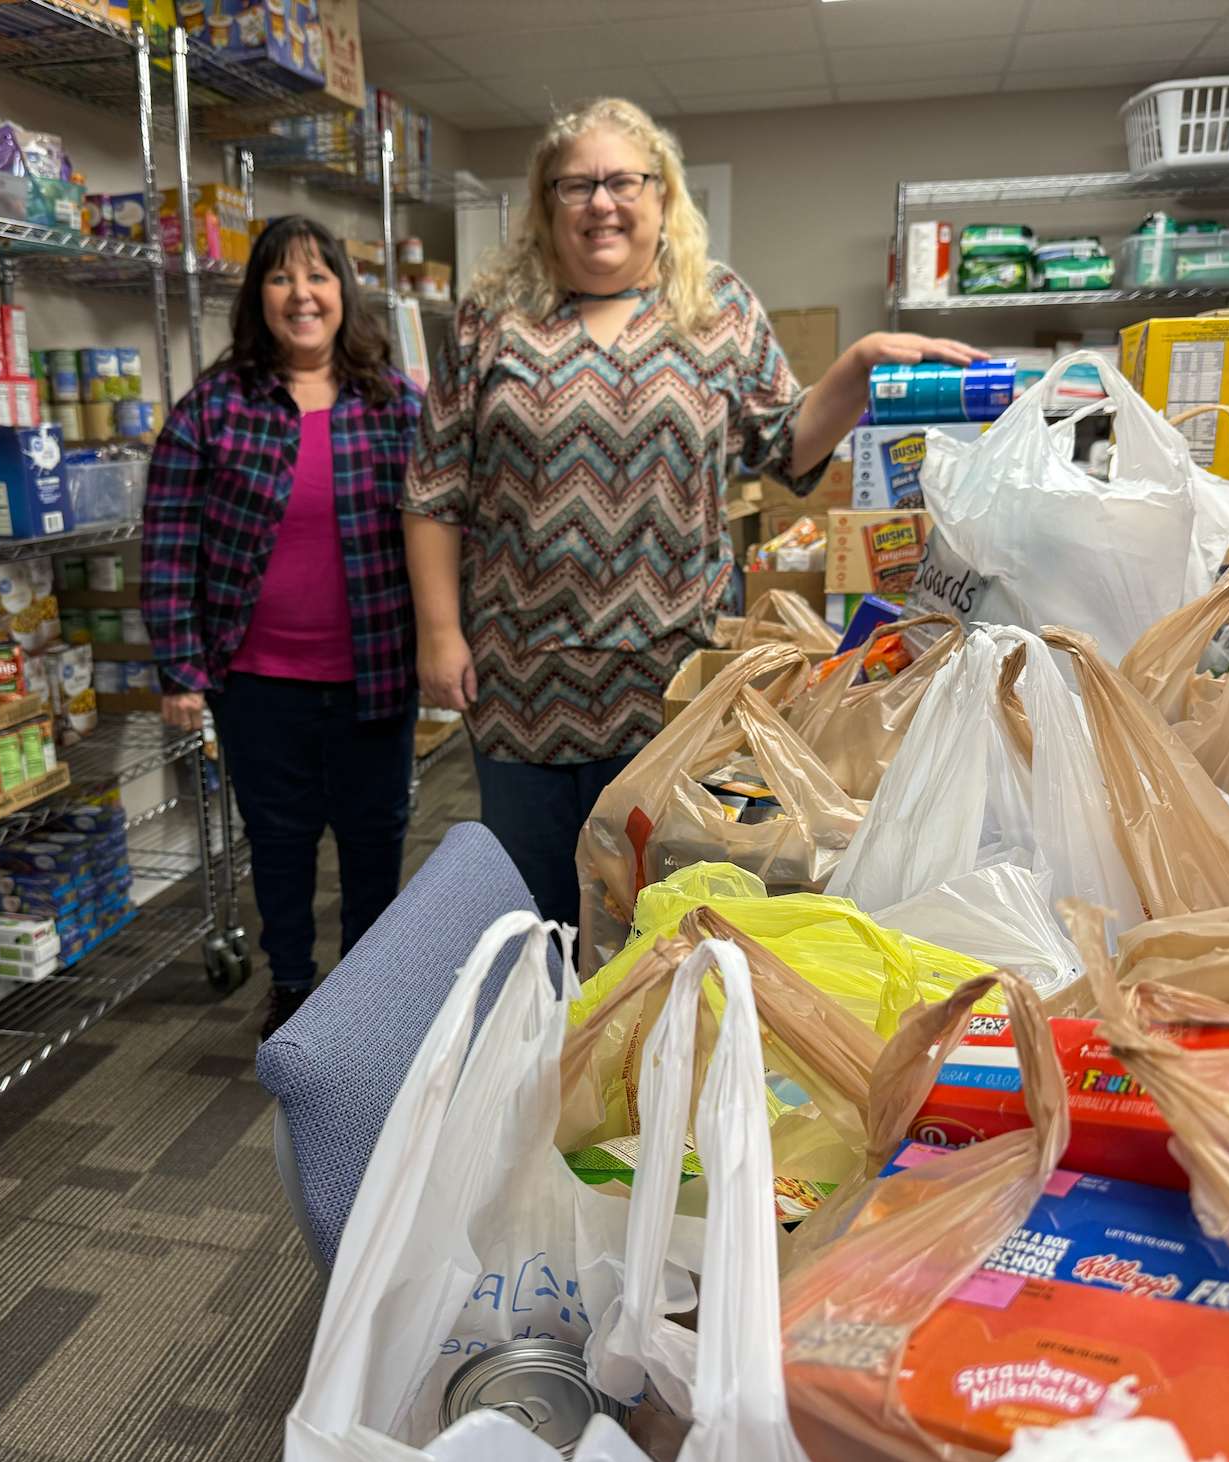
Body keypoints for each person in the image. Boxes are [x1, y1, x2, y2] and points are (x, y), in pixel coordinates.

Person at [401, 97, 982, 925]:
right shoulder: (491, 322)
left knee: (663, 906)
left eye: (623, 181)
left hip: (671, 685)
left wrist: (855, 367)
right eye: (576, 185)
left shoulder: (717, 309)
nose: (601, 202)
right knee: (530, 912)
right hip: (522, 678)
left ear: (662, 196)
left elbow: (786, 446)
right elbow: (434, 489)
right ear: (546, 204)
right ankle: (540, 1053)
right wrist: (439, 632)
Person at [143, 215, 426, 1038]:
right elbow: (167, 546)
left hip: (376, 672)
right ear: (257, 297)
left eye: (318, 277)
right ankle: (295, 988)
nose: (301, 295)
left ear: (344, 291)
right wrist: (180, 669)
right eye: (280, 278)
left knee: (376, 840)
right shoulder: (214, 408)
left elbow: (444, 531)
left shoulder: (396, 405)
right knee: (280, 841)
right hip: (259, 682)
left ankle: (369, 993)